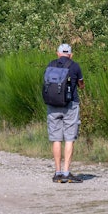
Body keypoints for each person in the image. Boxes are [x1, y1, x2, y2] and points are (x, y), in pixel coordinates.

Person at [46, 43, 84, 183]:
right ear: (71, 55)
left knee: (56, 138)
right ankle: (66, 173)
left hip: (52, 105)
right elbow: (81, 85)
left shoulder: (51, 64)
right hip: (70, 105)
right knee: (69, 138)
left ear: (57, 53)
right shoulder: (75, 66)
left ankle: (57, 173)